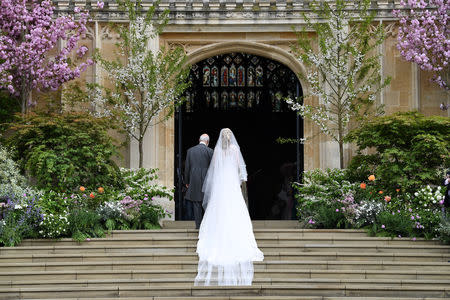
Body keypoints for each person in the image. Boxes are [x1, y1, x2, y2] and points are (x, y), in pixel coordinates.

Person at [194, 128, 264, 286]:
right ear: (231, 138)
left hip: (221, 184)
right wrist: (242, 178)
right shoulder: (234, 149)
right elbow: (240, 166)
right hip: (231, 184)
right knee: (235, 209)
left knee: (218, 209)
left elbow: (213, 169)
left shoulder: (217, 150)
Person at [184, 134, 214, 229]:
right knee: (208, 203)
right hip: (207, 180)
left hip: (194, 179)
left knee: (196, 203)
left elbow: (187, 168)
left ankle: (198, 226)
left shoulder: (190, 151)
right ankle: (208, 225)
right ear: (207, 142)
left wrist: (187, 181)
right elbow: (213, 168)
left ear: (199, 140)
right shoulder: (210, 151)